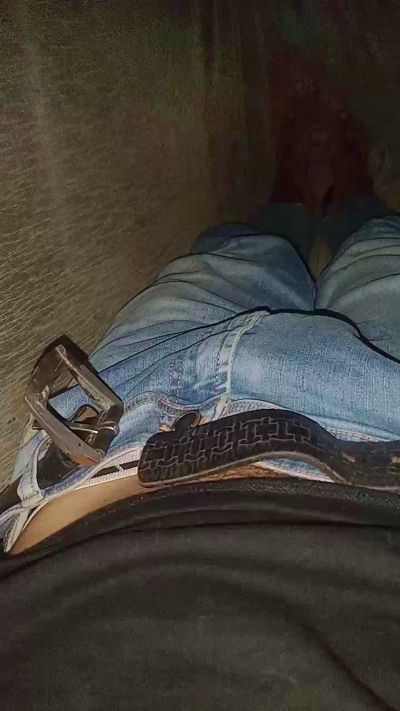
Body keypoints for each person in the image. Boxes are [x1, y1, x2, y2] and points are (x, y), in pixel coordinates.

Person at [1, 90, 400, 710]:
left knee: (236, 254)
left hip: (114, 440)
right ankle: (348, 194)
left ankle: (296, 194)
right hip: (387, 435)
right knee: (384, 252)